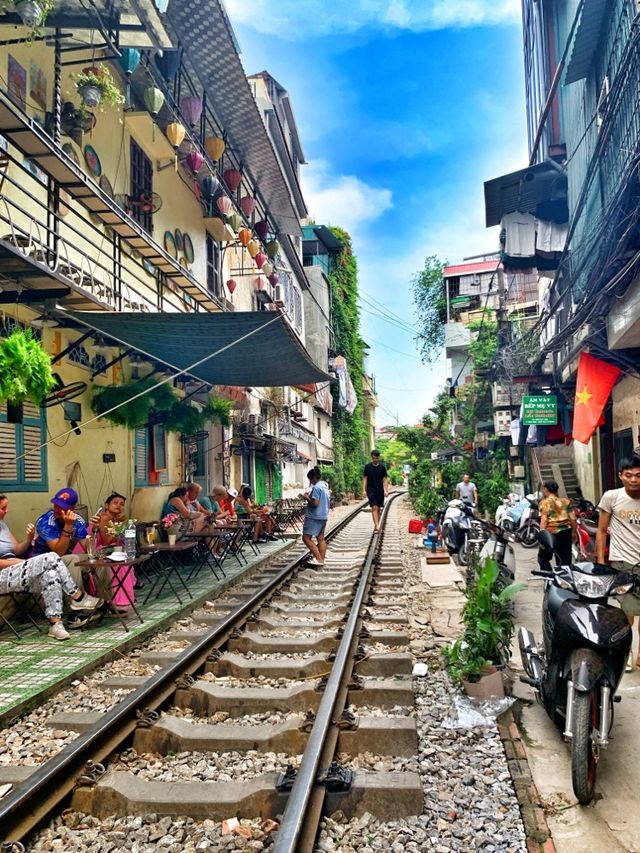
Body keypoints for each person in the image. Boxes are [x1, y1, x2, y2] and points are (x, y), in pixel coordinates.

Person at [0, 494, 101, 640]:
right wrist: (22, 563)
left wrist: (28, 540)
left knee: (51, 574)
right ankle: (78, 598)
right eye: (3, 508)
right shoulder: (47, 520)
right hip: (3, 574)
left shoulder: (3, 525)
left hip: (15, 572)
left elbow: (17, 550)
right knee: (52, 557)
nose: (7, 511)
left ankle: (56, 624)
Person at [597, 455, 640, 671]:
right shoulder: (611, 497)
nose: (634, 480)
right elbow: (602, 531)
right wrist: (601, 562)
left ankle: (639, 654)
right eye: (629, 475)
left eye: (638, 475)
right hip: (623, 563)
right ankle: (628, 651)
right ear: (621, 476)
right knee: (628, 612)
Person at [88, 492, 138, 610]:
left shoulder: (114, 519)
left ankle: (122, 596)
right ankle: (119, 598)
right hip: (95, 549)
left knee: (123, 559)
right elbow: (107, 541)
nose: (118, 506)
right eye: (115, 503)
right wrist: (121, 524)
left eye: (121, 504)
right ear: (107, 505)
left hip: (106, 550)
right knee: (120, 564)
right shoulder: (105, 517)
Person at [538, 480, 577, 568]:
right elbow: (573, 519)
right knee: (564, 562)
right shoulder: (566, 501)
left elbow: (544, 520)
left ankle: (550, 579)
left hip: (550, 534)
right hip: (566, 532)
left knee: (543, 558)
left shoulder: (544, 503)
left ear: (546, 489)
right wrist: (574, 532)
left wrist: (542, 537)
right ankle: (563, 580)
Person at [301, 467, 330, 567]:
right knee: (320, 539)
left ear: (313, 478)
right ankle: (321, 560)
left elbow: (315, 503)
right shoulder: (325, 486)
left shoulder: (317, 487)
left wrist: (306, 498)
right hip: (323, 515)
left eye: (310, 480)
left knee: (306, 538)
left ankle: (318, 559)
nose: (310, 482)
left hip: (314, 516)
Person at [363, 449, 389, 532]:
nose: (375, 460)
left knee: (378, 508)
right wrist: (364, 490)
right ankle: (377, 526)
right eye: (374, 458)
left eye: (376, 458)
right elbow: (365, 479)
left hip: (380, 490)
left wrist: (386, 490)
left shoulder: (382, 467)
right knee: (374, 507)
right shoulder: (367, 467)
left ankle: (376, 524)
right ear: (371, 457)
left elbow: (385, 479)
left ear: (379, 457)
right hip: (371, 490)